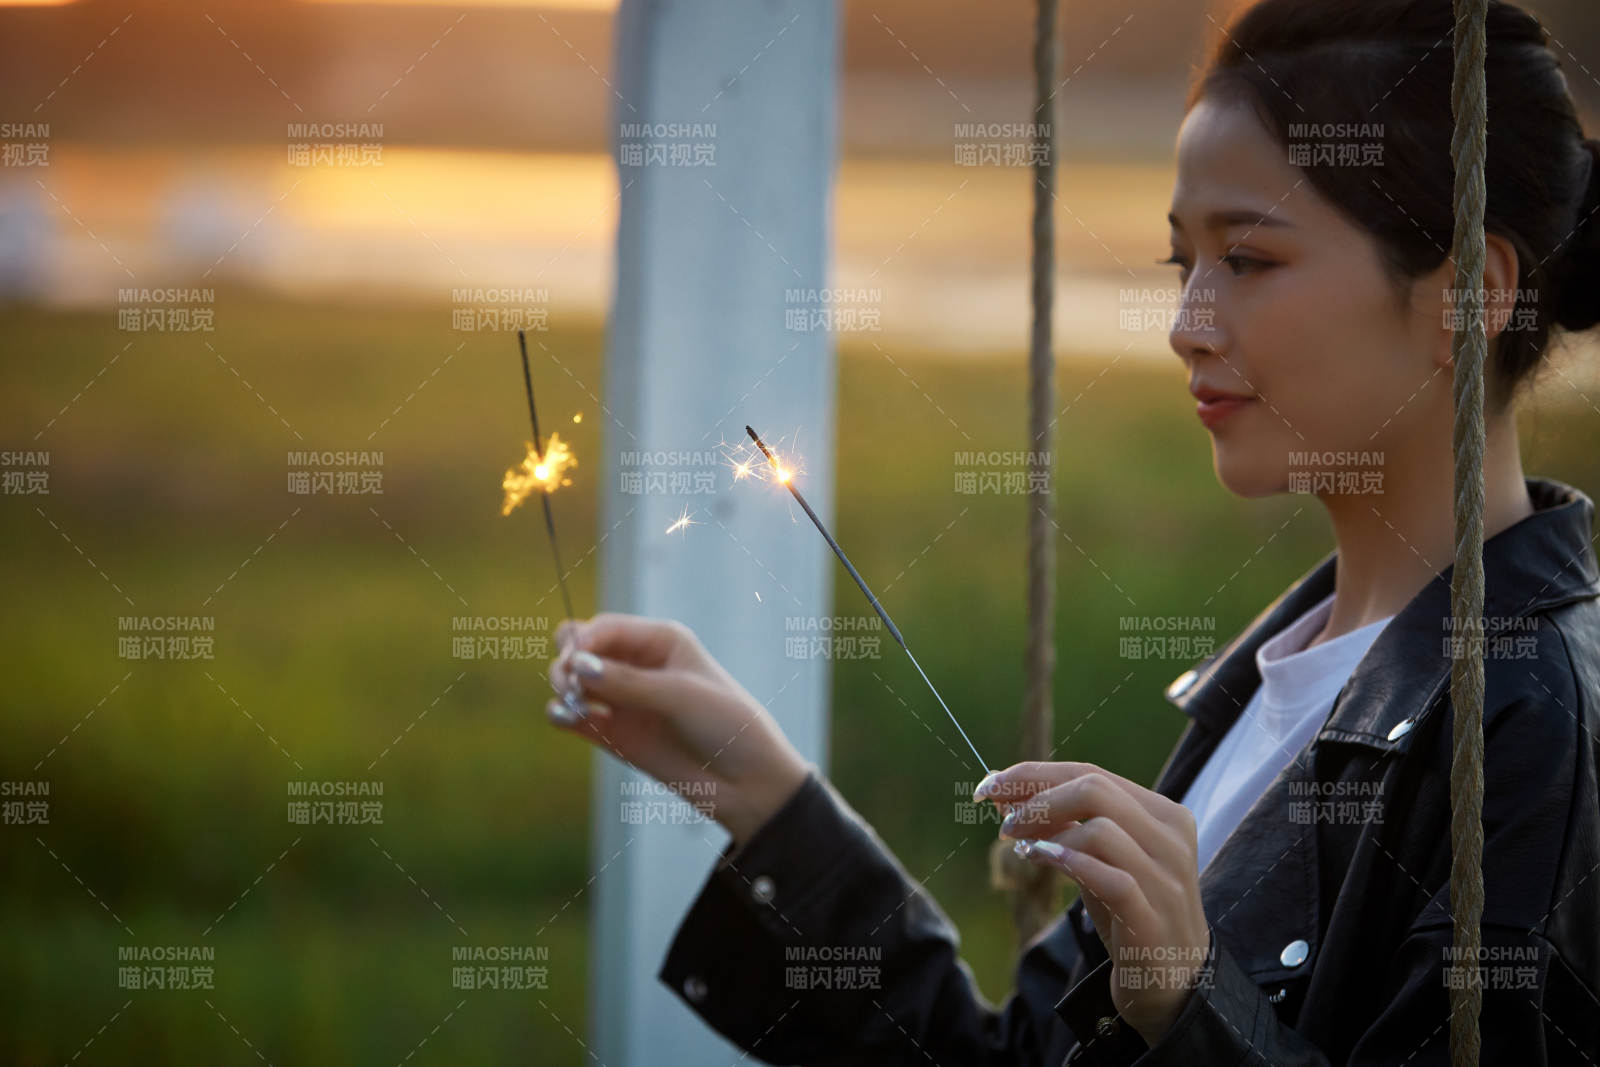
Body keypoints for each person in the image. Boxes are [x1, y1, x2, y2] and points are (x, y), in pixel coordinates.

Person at [545, 0, 1600, 1061]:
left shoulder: (1534, 728)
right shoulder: (1272, 687)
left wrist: (1191, 1003)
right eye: (1178, 262)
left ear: (1466, 296)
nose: (1186, 324)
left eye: (1249, 259)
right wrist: (765, 798)